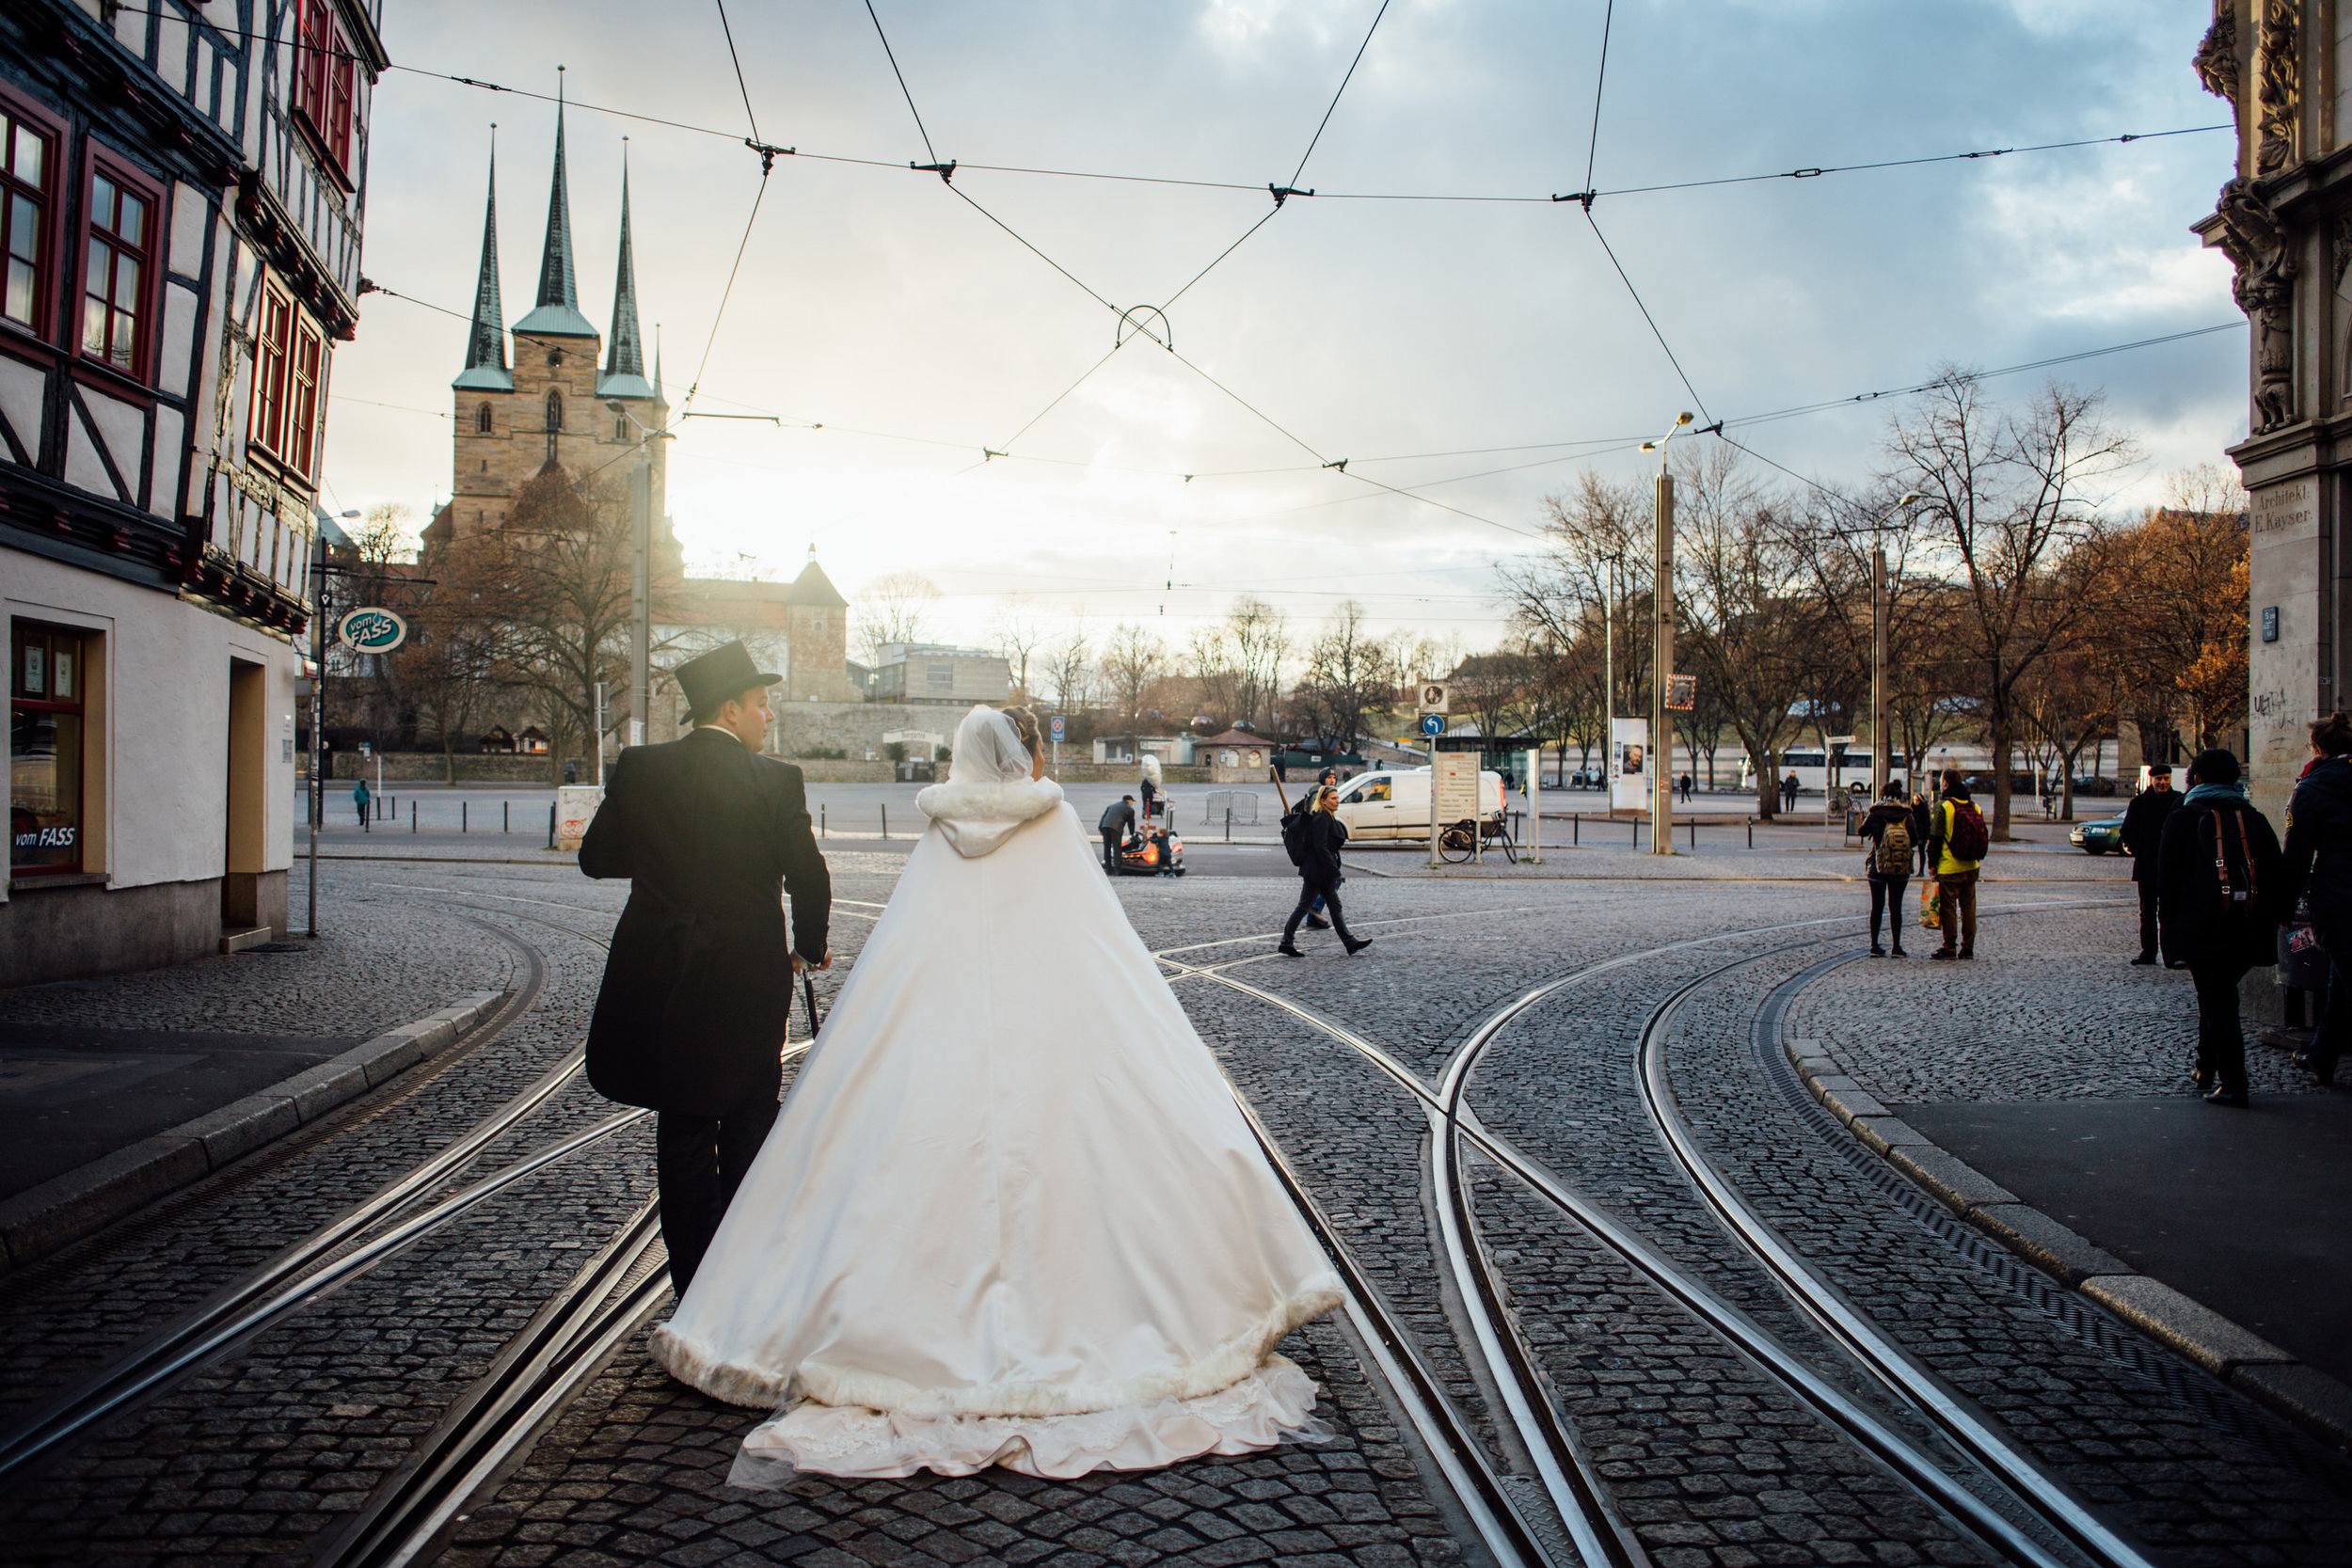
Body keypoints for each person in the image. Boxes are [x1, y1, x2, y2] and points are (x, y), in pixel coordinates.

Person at [651, 705, 1343, 1481]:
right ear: (1030, 756)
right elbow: (1089, 940)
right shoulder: (1049, 824)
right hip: (1049, 1024)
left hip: (940, 1031)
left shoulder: (938, 836)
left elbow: (912, 947)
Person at [580, 640, 833, 1297]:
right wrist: (808, 947)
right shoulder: (776, 780)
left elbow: (597, 858)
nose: (768, 714)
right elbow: (809, 875)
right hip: (750, 976)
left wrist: (668, 861)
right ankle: (742, 1280)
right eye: (761, 702)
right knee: (750, 1117)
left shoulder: (642, 768)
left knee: (685, 1121)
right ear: (730, 707)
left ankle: (695, 1287)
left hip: (664, 973)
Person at [2159, 749, 2281, 1106]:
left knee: (2218, 998)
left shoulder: (2182, 818)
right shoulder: (2253, 817)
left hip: (2203, 927)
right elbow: (2274, 869)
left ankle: (2233, 1081)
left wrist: (2170, 936)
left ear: (2195, 778)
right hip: (2247, 925)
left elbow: (2166, 883)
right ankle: (2206, 1065)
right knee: (2216, 993)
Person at [2279, 713, 2352, 1085]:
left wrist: (2283, 905)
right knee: (2341, 982)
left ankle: (2323, 1055)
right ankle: (2322, 1055)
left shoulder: (2311, 789)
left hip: (2340, 898)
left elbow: (2296, 857)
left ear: (2317, 748)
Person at [1280, 784, 1371, 958]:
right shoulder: (1322, 818)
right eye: (1333, 799)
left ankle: (1350, 942)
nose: (1337, 801)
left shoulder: (1327, 816)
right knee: (1305, 906)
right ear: (1323, 801)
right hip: (1317, 871)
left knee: (1334, 906)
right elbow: (1321, 847)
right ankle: (1286, 942)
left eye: (1337, 798)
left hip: (1320, 870)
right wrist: (1334, 870)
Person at [2120, 763, 2179, 965]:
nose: (2162, 782)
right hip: (2147, 867)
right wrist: (2141, 851)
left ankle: (2173, 954)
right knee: (2147, 912)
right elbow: (2126, 831)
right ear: (2152, 780)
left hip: (2172, 867)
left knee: (2171, 912)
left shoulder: (2179, 801)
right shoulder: (2139, 803)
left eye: (2166, 778)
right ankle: (2148, 952)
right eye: (2158, 779)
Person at [1925, 770, 1986, 959]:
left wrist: (1932, 864)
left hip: (1949, 867)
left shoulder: (1944, 807)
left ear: (1945, 783)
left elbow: (1935, 838)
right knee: (1968, 909)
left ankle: (1949, 946)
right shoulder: (1975, 807)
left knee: (1948, 908)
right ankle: (1968, 947)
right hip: (1971, 866)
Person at [1858, 784, 1914, 958]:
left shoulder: (1876, 812)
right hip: (1900, 868)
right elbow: (1914, 839)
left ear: (1883, 795)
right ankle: (1896, 946)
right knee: (1896, 907)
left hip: (1878, 866)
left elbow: (1861, 831)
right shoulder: (1906, 814)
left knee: (1877, 906)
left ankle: (1875, 945)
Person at [1098, 794, 1137, 873]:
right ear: (1129, 801)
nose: (1132, 803)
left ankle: (1108, 868)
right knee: (1117, 848)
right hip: (1116, 828)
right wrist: (1132, 833)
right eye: (1132, 801)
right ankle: (1117, 869)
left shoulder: (1111, 806)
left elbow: (1103, 817)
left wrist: (1100, 828)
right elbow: (1131, 823)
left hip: (1105, 827)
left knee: (1107, 847)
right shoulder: (1130, 809)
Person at [1139, 750, 1163, 824]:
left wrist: (1143, 791)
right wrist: (1156, 792)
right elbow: (1154, 788)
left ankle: (1145, 812)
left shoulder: (1145, 781)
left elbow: (1141, 787)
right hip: (1150, 794)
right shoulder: (1151, 782)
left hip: (1145, 794)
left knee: (1144, 803)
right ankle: (1148, 812)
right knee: (1150, 803)